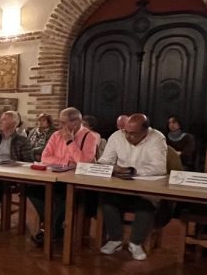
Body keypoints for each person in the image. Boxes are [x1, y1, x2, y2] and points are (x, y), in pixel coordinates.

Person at [98, 113, 168, 261]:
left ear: (145, 131)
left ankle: (135, 243)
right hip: (121, 186)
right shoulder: (117, 136)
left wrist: (131, 171)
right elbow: (104, 161)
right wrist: (113, 168)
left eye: (133, 133)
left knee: (147, 203)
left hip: (145, 187)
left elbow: (159, 167)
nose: (128, 137)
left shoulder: (157, 138)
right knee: (106, 200)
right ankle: (115, 240)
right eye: (126, 132)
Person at [27, 107, 99, 245]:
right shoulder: (56, 135)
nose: (60, 126)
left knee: (63, 196)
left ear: (76, 122)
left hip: (77, 182)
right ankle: (53, 228)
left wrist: (70, 141)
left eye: (63, 123)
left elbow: (83, 163)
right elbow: (45, 157)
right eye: (59, 122)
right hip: (54, 177)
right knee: (32, 190)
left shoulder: (89, 136)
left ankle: (50, 232)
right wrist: (68, 162)